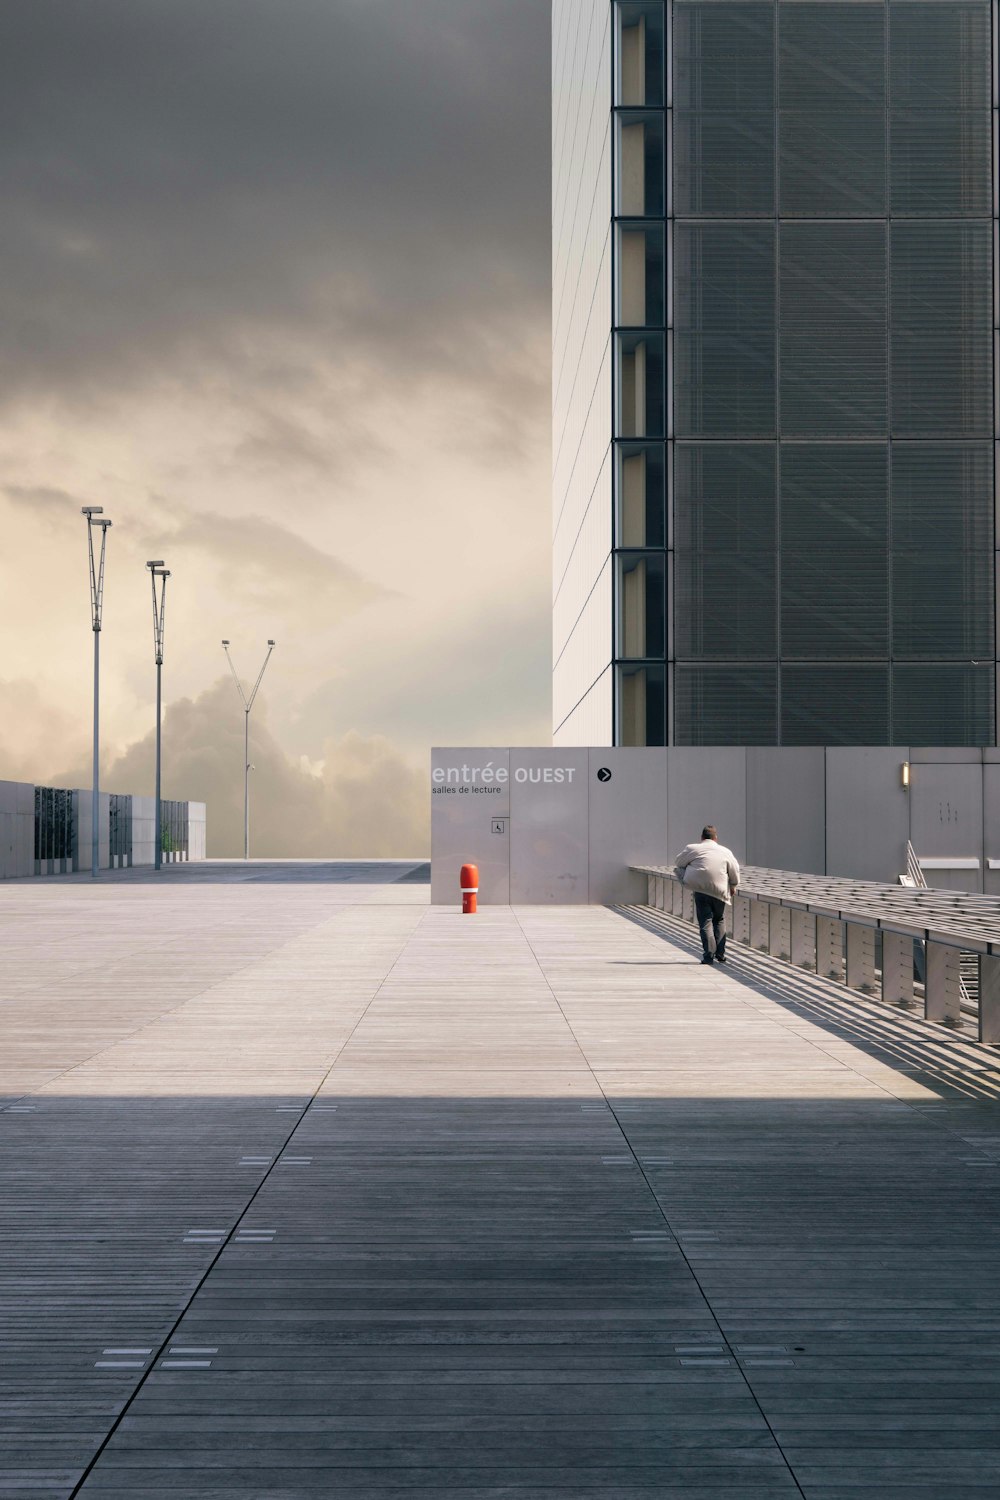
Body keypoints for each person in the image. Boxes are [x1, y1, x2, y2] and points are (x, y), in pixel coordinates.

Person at [674, 825, 740, 965]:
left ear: (702, 838)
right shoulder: (725, 851)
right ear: (716, 838)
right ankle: (720, 955)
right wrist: (733, 885)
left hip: (701, 889)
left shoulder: (693, 848)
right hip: (719, 890)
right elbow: (734, 869)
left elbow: (679, 863)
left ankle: (708, 956)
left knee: (705, 922)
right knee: (719, 919)